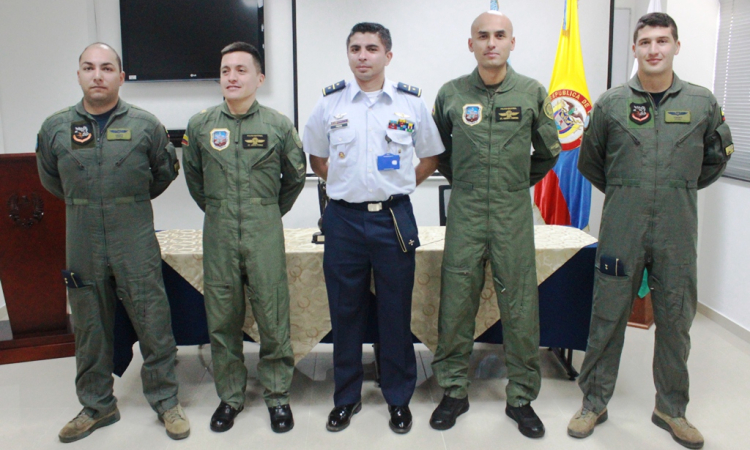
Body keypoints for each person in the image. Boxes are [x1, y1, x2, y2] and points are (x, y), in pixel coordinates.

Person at [567, 13, 732, 449]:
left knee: (676, 320)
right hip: (623, 225)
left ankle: (671, 409)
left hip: (677, 227)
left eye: (662, 40)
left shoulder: (702, 103)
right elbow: (591, 162)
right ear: (635, 49)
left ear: (676, 46)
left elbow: (715, 158)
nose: (653, 49)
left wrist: (675, 187)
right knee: (607, 316)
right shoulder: (610, 104)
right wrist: (630, 190)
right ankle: (594, 402)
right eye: (645, 42)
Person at [36, 43, 189, 443]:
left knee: (153, 318)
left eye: (107, 68)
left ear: (120, 77)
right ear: (79, 75)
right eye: (89, 67)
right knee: (89, 324)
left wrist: (125, 201)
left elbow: (162, 173)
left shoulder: (145, 125)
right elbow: (51, 180)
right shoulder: (55, 128)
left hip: (133, 232)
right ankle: (97, 406)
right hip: (81, 234)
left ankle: (166, 401)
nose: (98, 75)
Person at [303, 22, 444, 434]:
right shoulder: (330, 104)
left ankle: (398, 397)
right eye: (355, 48)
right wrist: (348, 188)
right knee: (345, 310)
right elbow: (318, 158)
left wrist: (396, 187)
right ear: (348, 54)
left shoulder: (410, 104)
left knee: (395, 310)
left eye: (371, 48)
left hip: (393, 217)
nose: (362, 56)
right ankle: (345, 398)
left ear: (388, 55)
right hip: (343, 219)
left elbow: (431, 156)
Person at [429, 11, 561, 439]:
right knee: (456, 302)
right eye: (482, 36)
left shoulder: (530, 93)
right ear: (471, 44)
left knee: (520, 304)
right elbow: (438, 153)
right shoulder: (450, 94)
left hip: (511, 212)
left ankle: (521, 397)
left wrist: (511, 183)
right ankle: (453, 391)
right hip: (465, 210)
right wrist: (467, 182)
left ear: (511, 43)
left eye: (499, 35)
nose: (491, 43)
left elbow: (548, 150)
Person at [182, 42, 306, 434]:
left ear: (259, 78)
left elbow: (296, 177)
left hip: (264, 228)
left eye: (240, 70)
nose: (231, 78)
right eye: (225, 71)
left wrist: (266, 210)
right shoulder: (200, 125)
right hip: (218, 229)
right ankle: (230, 397)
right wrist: (219, 208)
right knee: (222, 318)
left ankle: (277, 396)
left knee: (272, 316)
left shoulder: (277, 125)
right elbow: (194, 179)